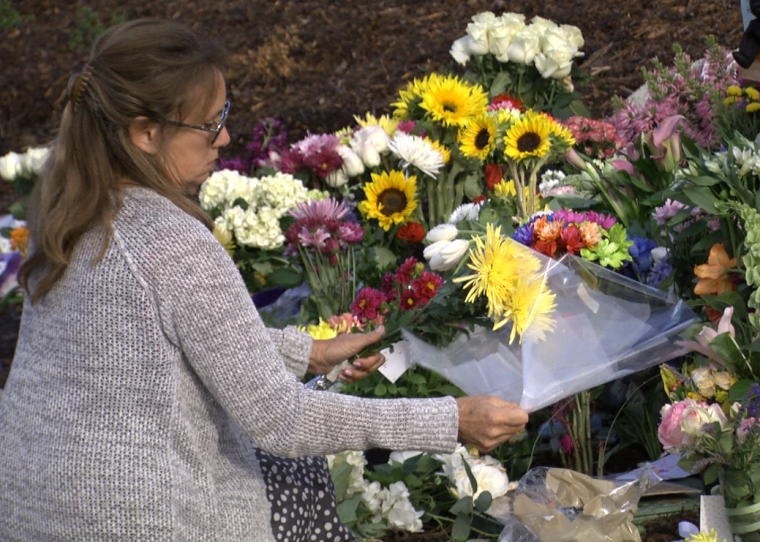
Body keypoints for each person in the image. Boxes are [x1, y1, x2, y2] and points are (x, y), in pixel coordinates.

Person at [0, 18, 529, 542]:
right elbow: (283, 420)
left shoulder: (70, 216)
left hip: (30, 507)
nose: (225, 137)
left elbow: (159, 343)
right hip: (135, 519)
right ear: (145, 132)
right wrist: (448, 420)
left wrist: (309, 354)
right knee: (291, 480)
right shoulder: (169, 240)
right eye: (210, 123)